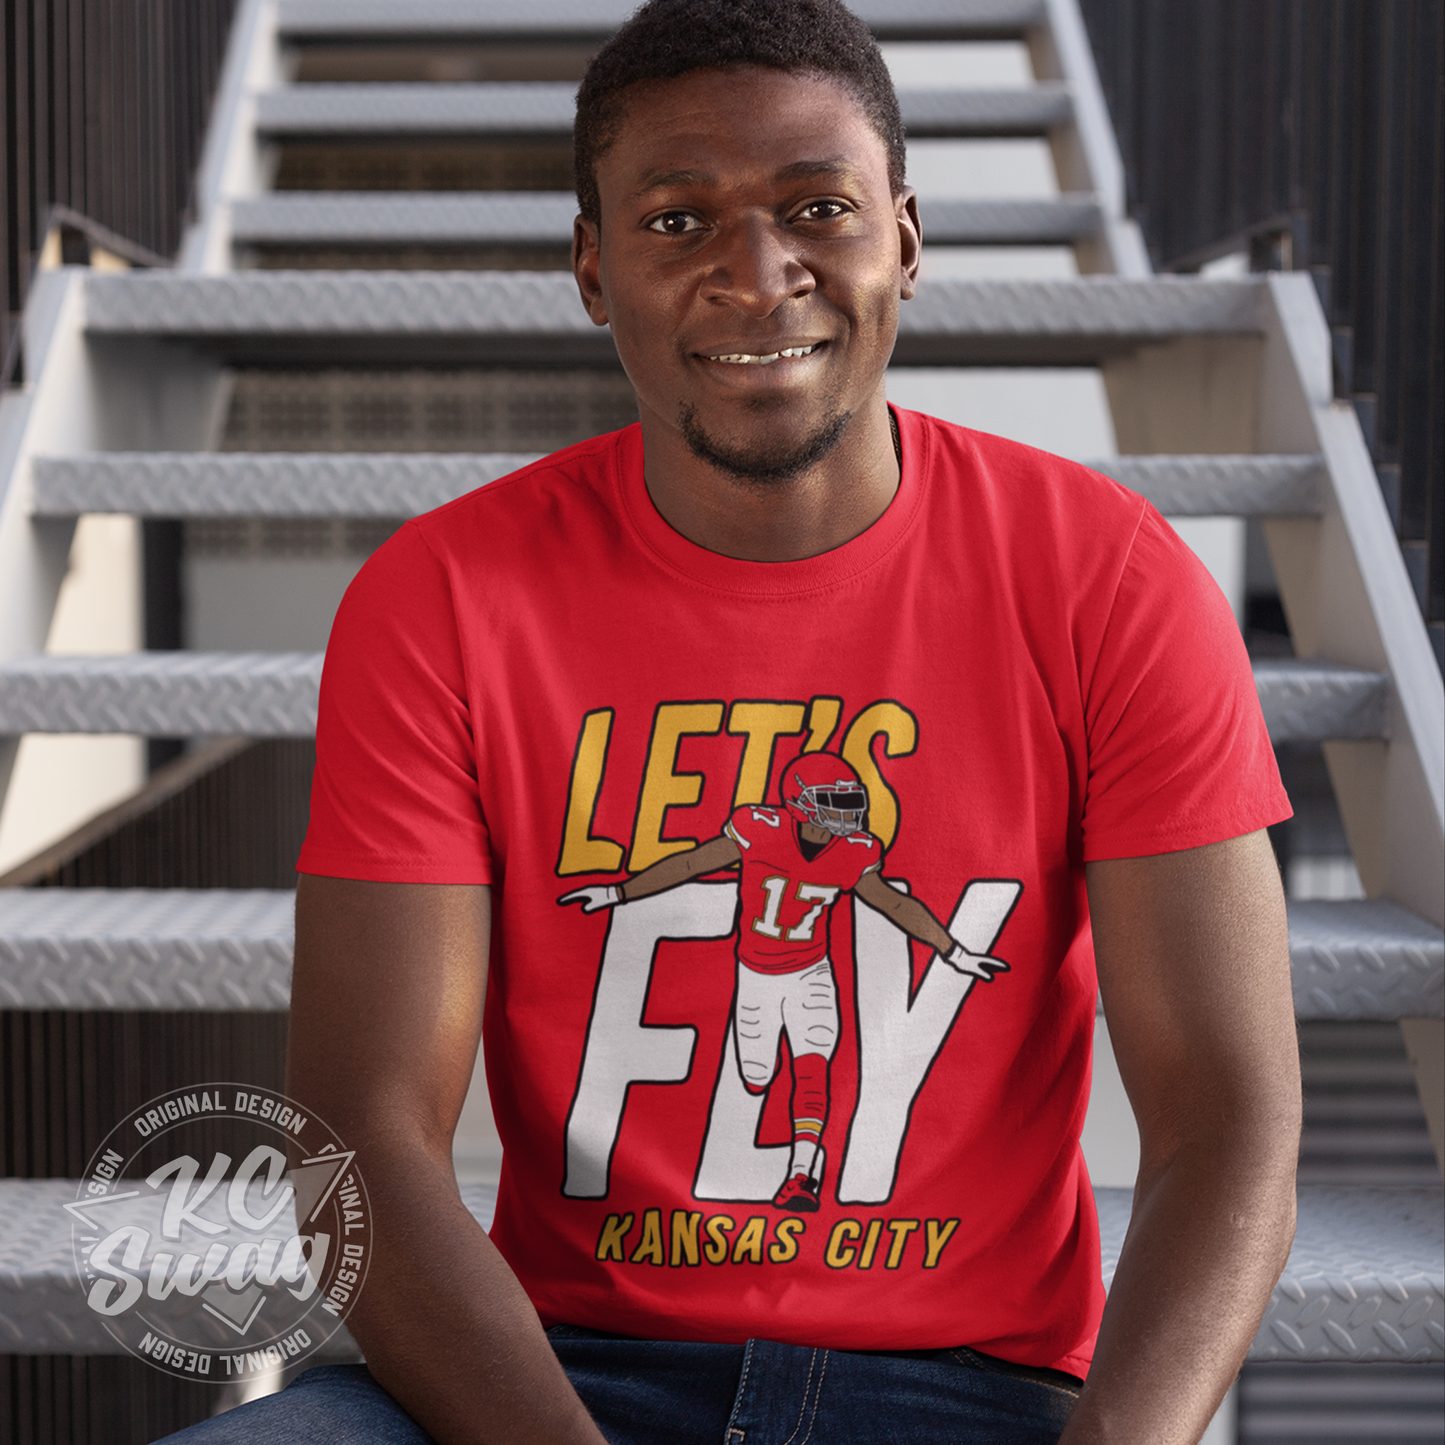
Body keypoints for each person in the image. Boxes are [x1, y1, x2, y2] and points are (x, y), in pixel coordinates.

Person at [169, 0, 1301, 1440]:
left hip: (968, 1391)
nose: (757, 276)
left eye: (816, 207)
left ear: (904, 237)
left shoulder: (1113, 580)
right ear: (592, 267)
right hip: (554, 1377)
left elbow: (1226, 1119)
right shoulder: (443, 597)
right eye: (675, 220)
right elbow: (358, 1135)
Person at [560, 751, 1010, 1213]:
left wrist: (954, 951)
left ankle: (800, 1177)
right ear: (799, 803)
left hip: (810, 974)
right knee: (756, 1076)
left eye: (850, 800)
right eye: (833, 802)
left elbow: (894, 905)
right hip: (754, 974)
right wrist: (619, 892)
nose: (847, 812)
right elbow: (692, 864)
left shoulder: (855, 852)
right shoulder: (760, 830)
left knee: (812, 1067)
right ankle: (768, 1105)